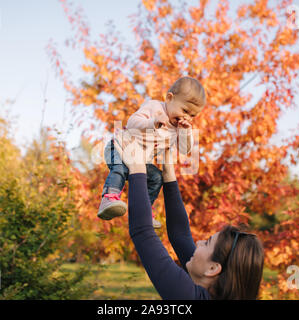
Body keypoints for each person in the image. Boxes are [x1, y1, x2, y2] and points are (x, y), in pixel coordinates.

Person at [113, 132, 265, 300]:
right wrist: (168, 175)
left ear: (213, 269)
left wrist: (137, 168)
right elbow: (180, 236)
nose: (198, 242)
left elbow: (142, 233)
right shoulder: (209, 287)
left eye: (207, 243)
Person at [97, 76, 206, 228]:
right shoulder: (155, 107)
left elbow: (184, 149)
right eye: (185, 110)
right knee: (120, 169)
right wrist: (152, 122)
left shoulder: (178, 128)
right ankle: (108, 199)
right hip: (120, 148)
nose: (186, 117)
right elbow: (132, 123)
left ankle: (145, 212)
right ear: (169, 98)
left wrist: (186, 133)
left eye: (192, 115)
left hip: (140, 162)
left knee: (156, 178)